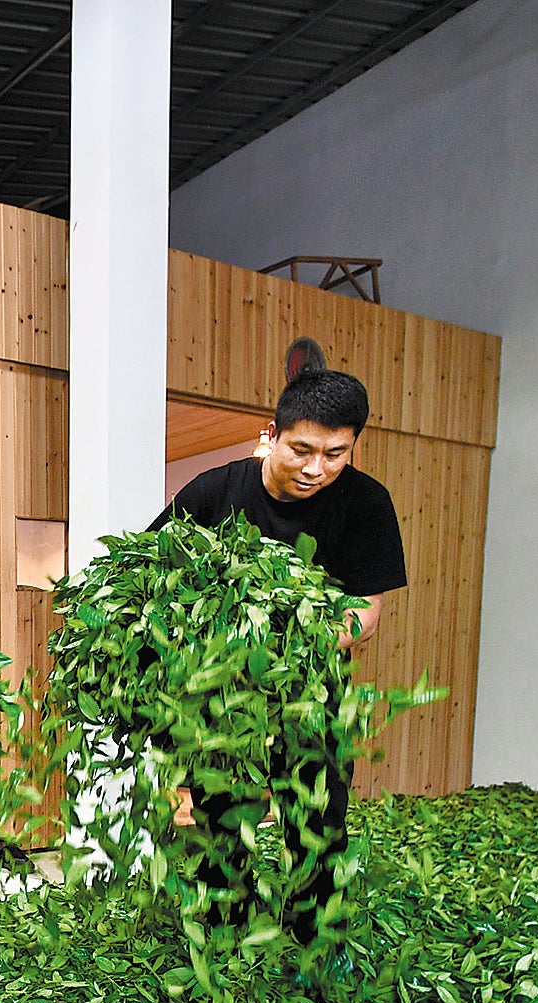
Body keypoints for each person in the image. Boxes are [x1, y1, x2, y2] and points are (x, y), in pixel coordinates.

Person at [150, 340, 407, 951]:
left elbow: (366, 614)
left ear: (353, 446)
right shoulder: (213, 494)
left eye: (335, 454)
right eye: (303, 449)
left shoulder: (368, 504)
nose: (317, 468)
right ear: (272, 434)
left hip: (313, 698)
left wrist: (292, 643)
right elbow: (154, 582)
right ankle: (221, 953)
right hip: (224, 704)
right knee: (220, 830)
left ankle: (314, 957)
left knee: (318, 830)